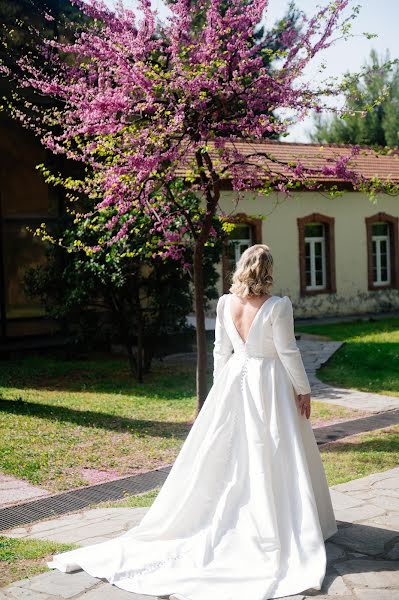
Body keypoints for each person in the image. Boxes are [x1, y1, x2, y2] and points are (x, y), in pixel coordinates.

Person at [47, 243, 338, 600]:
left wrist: (219, 391)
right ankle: (278, 520)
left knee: (233, 451)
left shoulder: (224, 303)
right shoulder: (278, 306)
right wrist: (304, 389)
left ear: (242, 267)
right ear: (268, 270)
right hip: (270, 383)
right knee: (273, 448)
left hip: (234, 380)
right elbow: (288, 350)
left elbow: (221, 352)